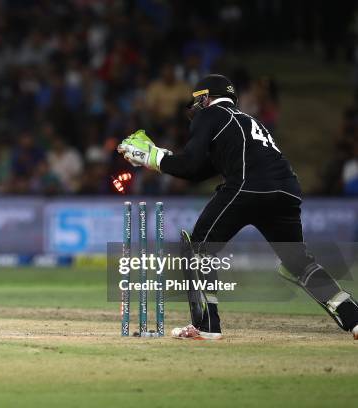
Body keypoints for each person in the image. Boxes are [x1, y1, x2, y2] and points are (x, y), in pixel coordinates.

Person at [117, 74, 358, 340]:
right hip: (286, 190)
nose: (194, 109)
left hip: (248, 186)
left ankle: (206, 326)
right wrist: (157, 156)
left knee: (199, 248)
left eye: (197, 102)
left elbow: (192, 165)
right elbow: (198, 171)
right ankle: (355, 319)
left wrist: (152, 156)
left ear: (206, 98)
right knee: (297, 262)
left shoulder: (210, 115)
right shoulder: (246, 121)